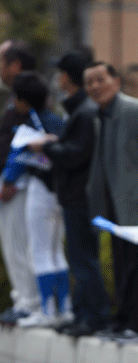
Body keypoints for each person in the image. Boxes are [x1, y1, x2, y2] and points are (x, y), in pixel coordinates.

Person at [28, 50, 112, 337]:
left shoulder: (84, 111)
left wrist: (48, 147)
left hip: (80, 196)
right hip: (75, 195)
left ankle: (94, 316)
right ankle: (83, 313)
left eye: (60, 73)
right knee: (78, 257)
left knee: (83, 258)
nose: (57, 78)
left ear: (67, 77)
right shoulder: (81, 109)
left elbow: (77, 154)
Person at [84, 61, 138, 340]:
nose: (95, 87)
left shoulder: (135, 110)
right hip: (116, 208)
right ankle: (125, 320)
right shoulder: (100, 116)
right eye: (89, 82)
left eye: (100, 79)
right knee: (123, 265)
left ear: (116, 81)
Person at [3, 71, 72, 328]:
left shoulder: (29, 123)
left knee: (40, 250)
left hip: (40, 189)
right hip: (61, 191)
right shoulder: (59, 121)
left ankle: (46, 311)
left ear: (21, 100)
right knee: (57, 250)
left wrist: (7, 182)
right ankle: (64, 309)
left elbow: (16, 158)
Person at [0, 41, 40, 326]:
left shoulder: (29, 102)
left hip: (20, 186)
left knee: (21, 245)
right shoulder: (14, 100)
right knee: (13, 246)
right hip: (12, 183)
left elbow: (24, 143)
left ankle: (29, 302)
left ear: (15, 66)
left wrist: (10, 178)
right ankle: (22, 299)